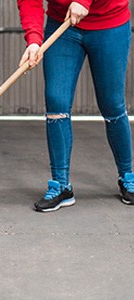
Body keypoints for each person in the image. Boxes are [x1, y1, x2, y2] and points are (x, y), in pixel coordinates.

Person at [17, 0, 134, 212]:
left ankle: (128, 177)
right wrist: (33, 40)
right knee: (56, 102)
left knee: (112, 104)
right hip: (63, 26)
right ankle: (61, 185)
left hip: (109, 24)